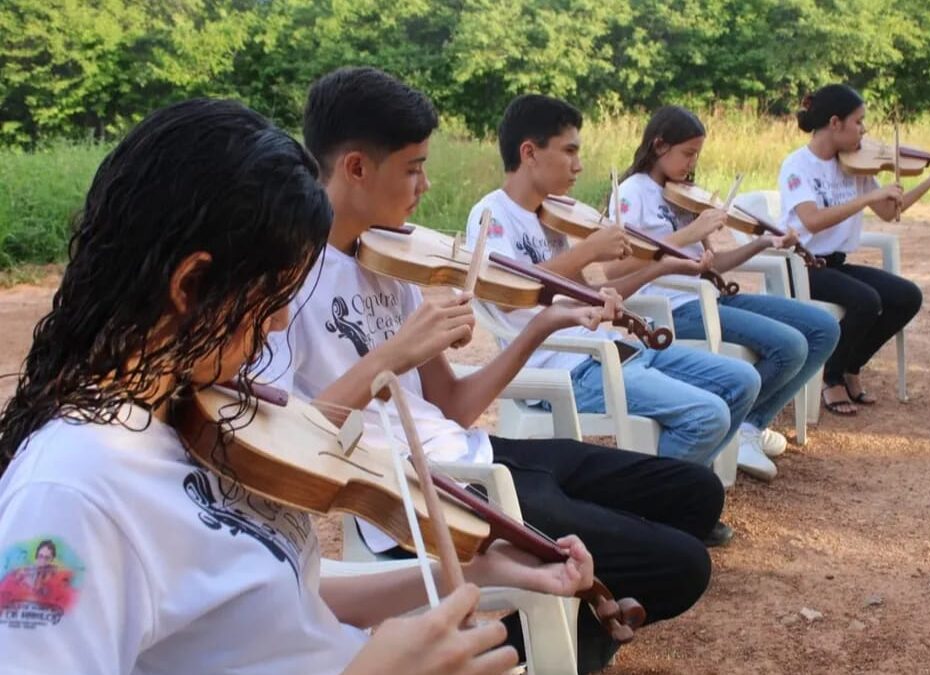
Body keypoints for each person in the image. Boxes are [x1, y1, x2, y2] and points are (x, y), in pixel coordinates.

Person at [0, 98, 595, 675]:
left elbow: (281, 602)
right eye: (275, 297)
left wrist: (472, 569)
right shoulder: (72, 492)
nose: (283, 320)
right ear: (192, 285)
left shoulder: (198, 414)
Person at [265, 67, 725, 674]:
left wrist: (540, 326)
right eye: (413, 168)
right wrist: (391, 356)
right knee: (681, 565)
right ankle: (522, 651)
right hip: (419, 491)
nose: (426, 185)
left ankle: (571, 628)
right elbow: (291, 445)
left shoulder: (393, 258)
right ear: (355, 167)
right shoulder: (284, 281)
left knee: (697, 493)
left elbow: (451, 403)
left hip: (475, 448)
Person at [466, 94, 762, 481]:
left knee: (743, 381)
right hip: (565, 367)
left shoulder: (554, 217)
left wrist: (662, 265)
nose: (579, 165)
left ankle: (681, 488)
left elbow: (587, 293)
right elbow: (505, 295)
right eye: (569, 151)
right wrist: (588, 250)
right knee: (707, 415)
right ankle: (660, 505)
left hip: (611, 350)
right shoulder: (492, 214)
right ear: (529, 153)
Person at [609, 105, 840, 481]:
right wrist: (691, 232)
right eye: (687, 153)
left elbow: (715, 266)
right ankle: (745, 429)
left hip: (708, 297)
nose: (691, 163)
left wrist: (762, 242)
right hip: (671, 307)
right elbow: (618, 267)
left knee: (823, 328)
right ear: (658, 145)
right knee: (791, 345)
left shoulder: (682, 197)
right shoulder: (633, 193)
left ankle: (748, 424)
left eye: (697, 154)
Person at [778, 84, 930, 415]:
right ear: (835, 123)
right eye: (859, 122)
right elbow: (813, 220)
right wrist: (866, 198)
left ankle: (851, 366)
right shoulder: (797, 165)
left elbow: (891, 211)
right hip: (802, 267)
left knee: (908, 296)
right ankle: (830, 379)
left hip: (835, 265)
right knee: (866, 300)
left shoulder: (856, 164)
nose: (864, 130)